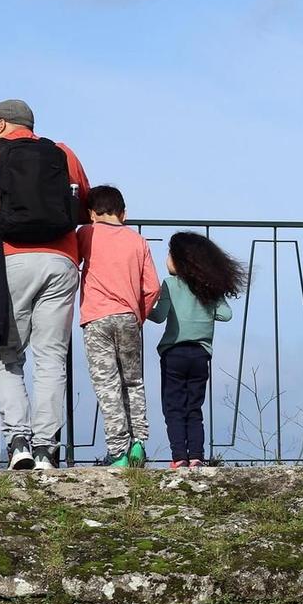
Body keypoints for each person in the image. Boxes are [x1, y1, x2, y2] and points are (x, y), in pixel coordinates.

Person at [0, 99, 91, 471]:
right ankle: (46, 449)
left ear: (5, 125)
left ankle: (19, 443)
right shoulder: (63, 153)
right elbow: (84, 204)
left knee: (8, 355)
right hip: (61, 260)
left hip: (9, 260)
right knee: (52, 357)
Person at [76, 186, 160, 469]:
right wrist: (139, 315)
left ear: (91, 213)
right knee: (133, 382)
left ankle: (118, 452)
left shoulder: (86, 234)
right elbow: (152, 287)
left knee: (107, 386)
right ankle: (139, 444)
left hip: (96, 319)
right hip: (128, 317)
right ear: (124, 214)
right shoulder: (138, 241)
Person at [149, 232, 245, 468]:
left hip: (174, 354)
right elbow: (226, 314)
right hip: (200, 356)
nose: (167, 259)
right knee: (194, 407)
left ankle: (179, 456)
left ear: (180, 260)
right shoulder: (207, 288)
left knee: (173, 406)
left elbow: (159, 316)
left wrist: (141, 307)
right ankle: (196, 457)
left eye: (170, 254)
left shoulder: (170, 285)